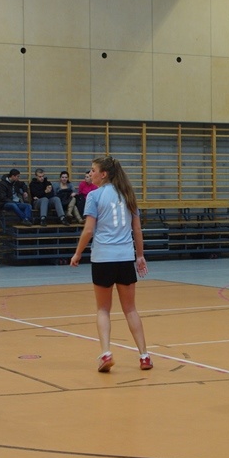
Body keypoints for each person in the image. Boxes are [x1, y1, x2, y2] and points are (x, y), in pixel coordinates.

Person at [70, 156, 153, 372]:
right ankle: (144, 356)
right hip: (125, 257)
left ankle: (106, 353)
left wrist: (77, 254)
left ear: (104, 174)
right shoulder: (128, 194)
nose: (90, 174)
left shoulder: (94, 195)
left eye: (93, 170)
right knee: (131, 309)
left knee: (103, 309)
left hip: (103, 258)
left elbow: (88, 230)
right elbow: (137, 229)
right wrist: (140, 255)